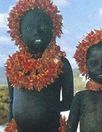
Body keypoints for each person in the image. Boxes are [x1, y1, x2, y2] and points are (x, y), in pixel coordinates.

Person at [5, 0, 73, 131]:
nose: (37, 31)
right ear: (18, 33)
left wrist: (44, 109)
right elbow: (12, 102)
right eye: (29, 27)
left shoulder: (61, 63)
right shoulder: (13, 66)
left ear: (53, 29)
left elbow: (69, 101)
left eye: (43, 26)